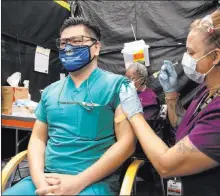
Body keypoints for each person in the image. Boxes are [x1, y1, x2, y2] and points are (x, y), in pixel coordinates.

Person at [119, 6, 220, 196]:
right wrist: (171, 94)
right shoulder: (211, 89)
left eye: (191, 52)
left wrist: (134, 114)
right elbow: (185, 125)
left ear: (215, 56)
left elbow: (166, 165)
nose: (184, 59)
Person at [3, 17, 136, 195]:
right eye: (64, 42)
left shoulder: (119, 86)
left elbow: (127, 143)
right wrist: (40, 182)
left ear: (96, 47)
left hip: (93, 182)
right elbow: (38, 139)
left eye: (77, 41)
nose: (68, 47)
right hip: (45, 180)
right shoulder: (50, 92)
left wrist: (77, 183)